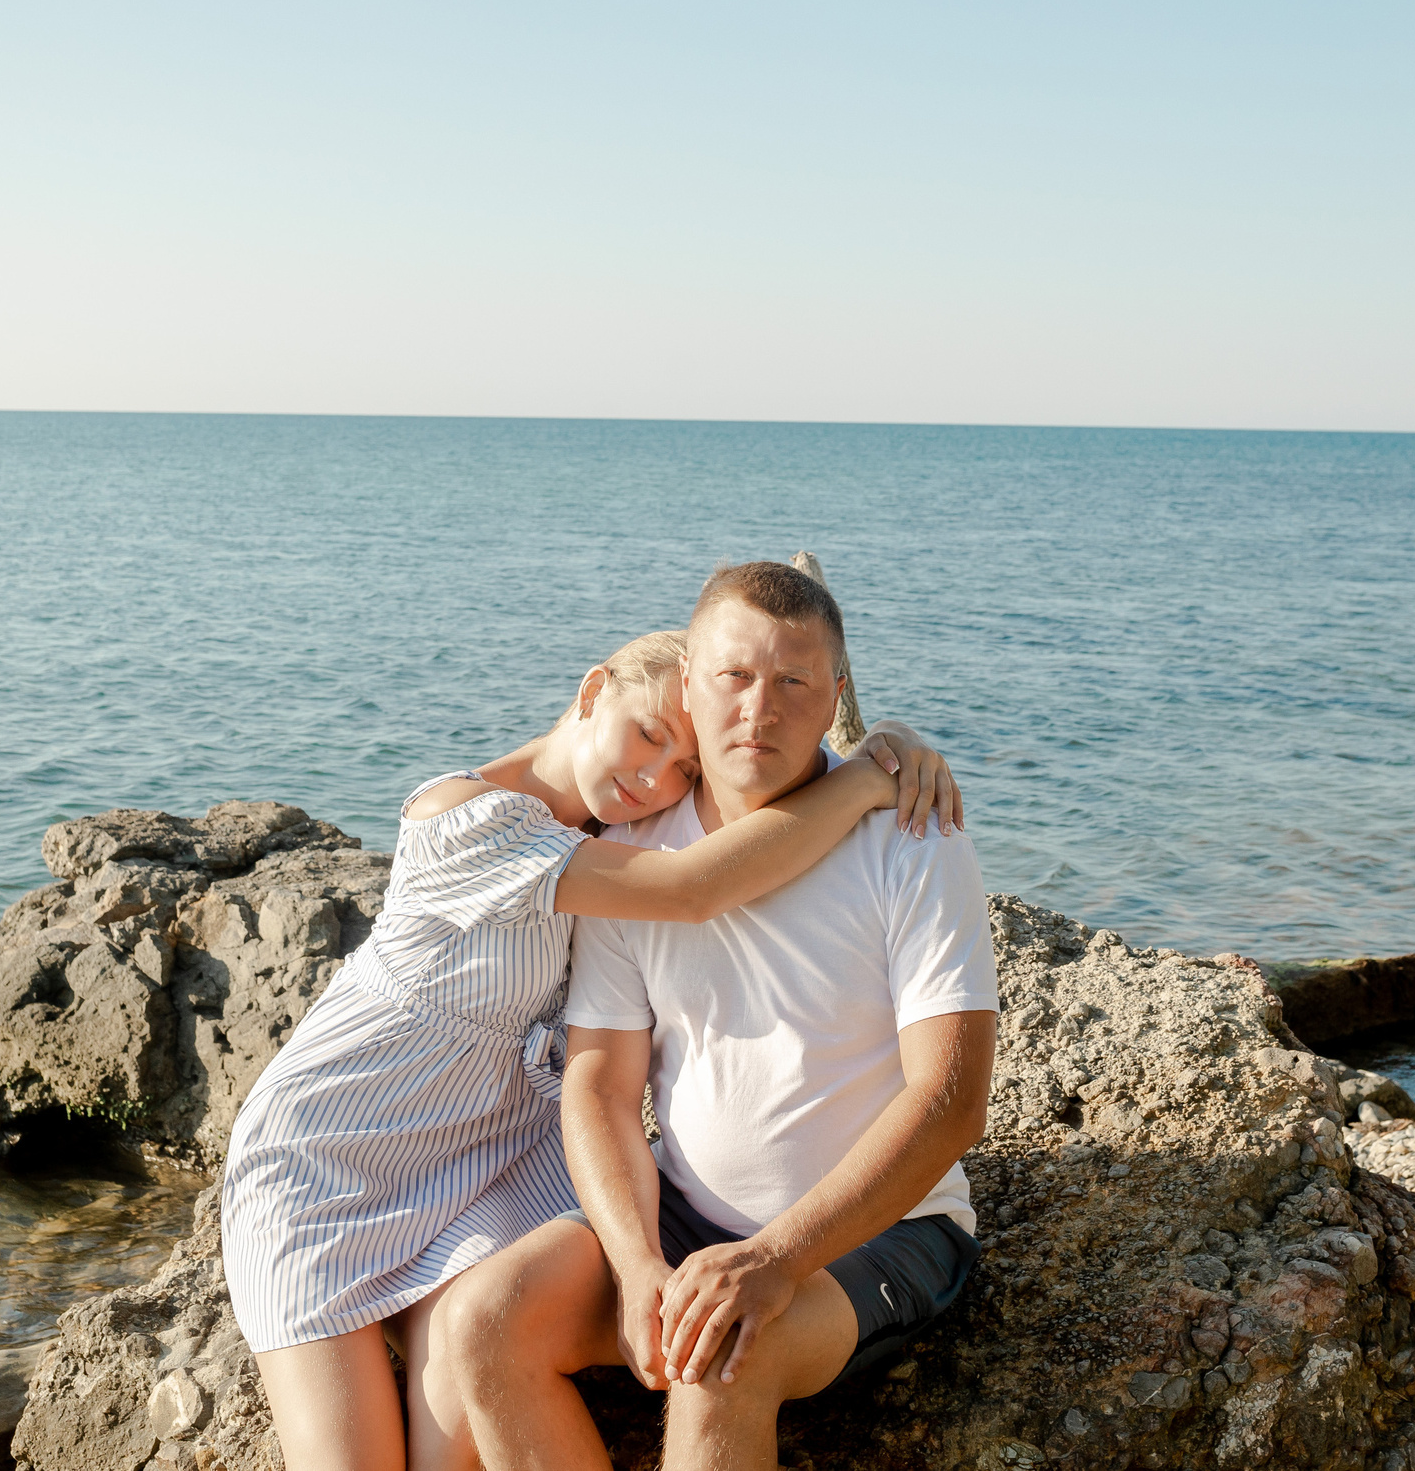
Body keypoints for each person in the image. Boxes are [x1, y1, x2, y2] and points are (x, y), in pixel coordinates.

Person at [220, 624, 966, 1471]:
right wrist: (865, 776)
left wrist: (886, 740)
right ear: (591, 691)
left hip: (492, 1162)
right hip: (329, 1156)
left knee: (462, 1411)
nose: (655, 777)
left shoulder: (613, 844)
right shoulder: (463, 815)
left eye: (684, 768)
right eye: (647, 732)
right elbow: (695, 887)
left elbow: (738, 806)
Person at [438, 563, 998, 1471]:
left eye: (793, 681)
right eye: (734, 676)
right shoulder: (632, 857)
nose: (759, 709)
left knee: (721, 1356)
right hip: (685, 1217)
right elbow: (601, 1085)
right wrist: (634, 1264)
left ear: (836, 698)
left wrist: (777, 1257)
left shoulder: (913, 836)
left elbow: (951, 1099)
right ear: (690, 684)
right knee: (486, 1317)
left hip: (885, 1232)